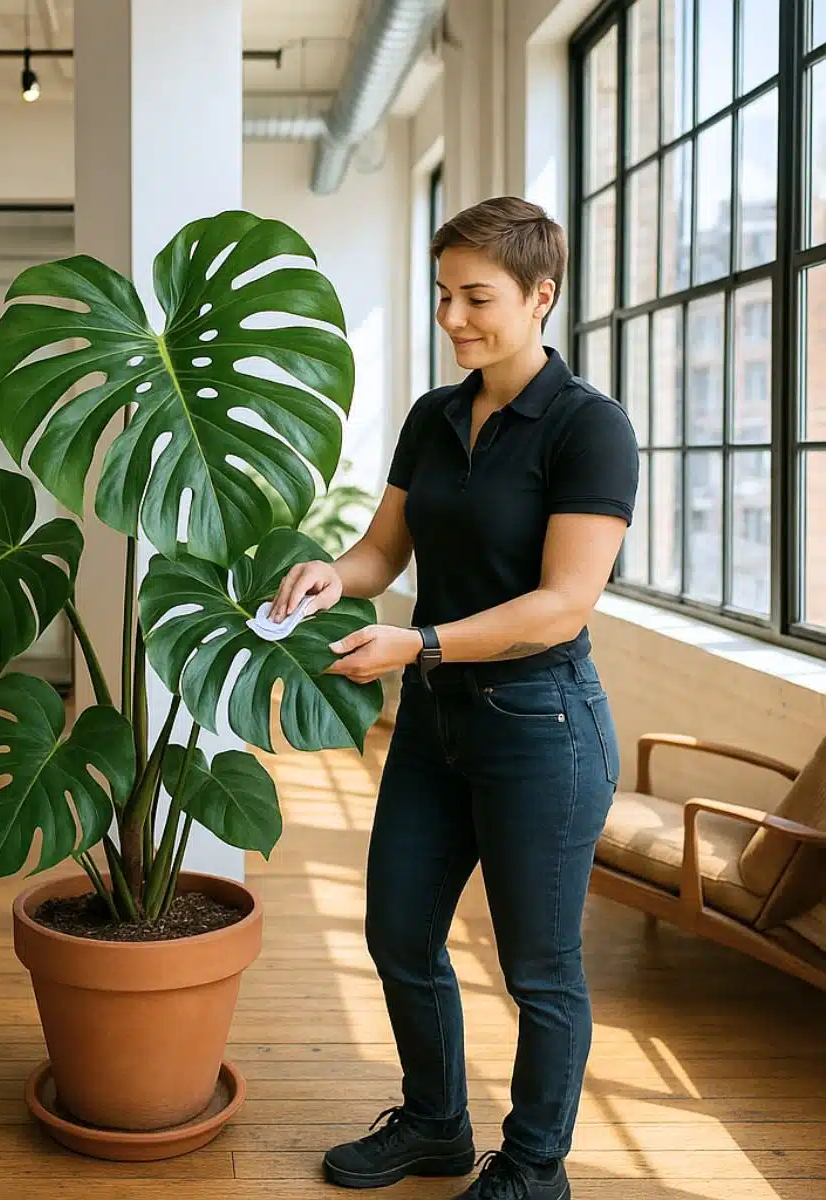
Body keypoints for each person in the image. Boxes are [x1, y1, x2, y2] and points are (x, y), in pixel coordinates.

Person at [267, 196, 639, 1200]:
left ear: (540, 295)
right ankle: (435, 1125)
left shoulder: (589, 428)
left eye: (477, 296)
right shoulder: (436, 416)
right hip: (437, 721)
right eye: (443, 295)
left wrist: (418, 640)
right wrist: (328, 576)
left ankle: (533, 1168)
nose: (454, 317)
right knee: (398, 932)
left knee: (539, 972)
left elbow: (562, 605)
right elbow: (385, 550)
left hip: (541, 728)